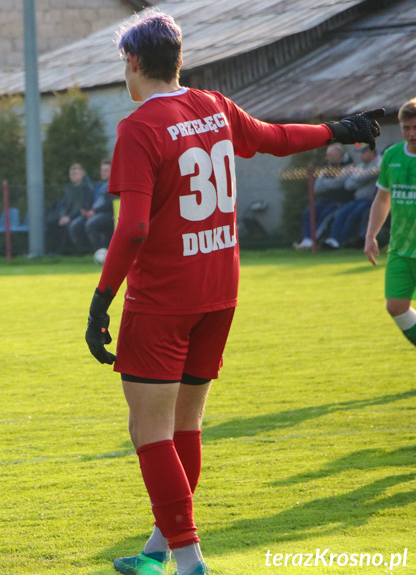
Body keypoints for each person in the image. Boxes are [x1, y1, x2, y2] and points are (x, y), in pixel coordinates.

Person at [83, 10, 381, 575]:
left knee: (148, 431)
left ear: (132, 61)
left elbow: (133, 227)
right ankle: (158, 550)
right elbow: (272, 138)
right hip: (220, 292)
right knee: (183, 427)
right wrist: (333, 131)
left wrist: (102, 299)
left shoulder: (139, 127)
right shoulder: (213, 105)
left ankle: (191, 561)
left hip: (164, 299)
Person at [365, 97, 416, 348]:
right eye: (407, 128)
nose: (412, 133)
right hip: (400, 249)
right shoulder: (392, 156)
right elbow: (382, 198)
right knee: (396, 307)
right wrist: (370, 235)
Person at [292, 144, 353, 249]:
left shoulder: (349, 166)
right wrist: (330, 183)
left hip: (340, 200)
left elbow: (340, 183)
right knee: (308, 213)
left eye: (329, 155)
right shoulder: (327, 167)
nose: (327, 158)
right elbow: (317, 187)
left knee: (325, 216)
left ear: (338, 155)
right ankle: (307, 239)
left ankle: (313, 241)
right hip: (325, 200)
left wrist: (327, 183)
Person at [324, 146, 381, 248]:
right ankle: (333, 239)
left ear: (371, 152)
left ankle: (339, 241)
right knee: (340, 214)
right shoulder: (361, 166)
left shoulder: (379, 163)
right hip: (358, 200)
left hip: (370, 200)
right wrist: (361, 178)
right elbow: (348, 184)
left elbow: (367, 176)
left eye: (363, 152)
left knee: (352, 216)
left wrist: (359, 179)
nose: (361, 155)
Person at [58, 163, 94, 254]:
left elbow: (84, 208)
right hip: (68, 216)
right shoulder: (69, 189)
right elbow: (63, 205)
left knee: (74, 226)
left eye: (75, 173)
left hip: (80, 215)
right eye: (71, 174)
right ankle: (58, 253)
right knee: (52, 224)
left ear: (82, 174)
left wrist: (69, 218)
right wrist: (62, 216)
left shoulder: (87, 189)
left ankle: (82, 252)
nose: (72, 176)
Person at [83, 159, 115, 250]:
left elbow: (110, 203)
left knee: (91, 224)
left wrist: (94, 211)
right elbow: (93, 200)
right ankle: (83, 253)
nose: (102, 173)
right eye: (102, 170)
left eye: (105, 171)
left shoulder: (114, 185)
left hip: (109, 213)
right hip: (95, 212)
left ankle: (101, 252)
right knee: (77, 225)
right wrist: (86, 209)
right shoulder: (100, 185)